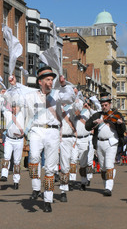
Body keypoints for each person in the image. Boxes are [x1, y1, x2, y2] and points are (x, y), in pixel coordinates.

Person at [7, 66, 76, 212]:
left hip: (52, 131)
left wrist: (64, 84)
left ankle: (48, 200)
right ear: (40, 81)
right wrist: (13, 86)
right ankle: (36, 188)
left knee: (50, 167)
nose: (50, 82)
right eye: (47, 79)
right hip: (36, 129)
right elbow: (14, 100)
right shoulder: (30, 96)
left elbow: (71, 97)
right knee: (33, 158)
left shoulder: (57, 94)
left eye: (52, 79)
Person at [85, 92, 126, 197]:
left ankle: (108, 188)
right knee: (103, 167)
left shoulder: (116, 115)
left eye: (106, 105)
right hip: (99, 143)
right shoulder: (97, 115)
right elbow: (87, 126)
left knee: (108, 165)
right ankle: (106, 185)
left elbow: (122, 131)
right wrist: (95, 122)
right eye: (102, 105)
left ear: (110, 105)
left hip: (111, 142)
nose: (104, 107)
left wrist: (119, 124)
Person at [0, 92, 25, 189]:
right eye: (13, 107)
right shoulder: (8, 114)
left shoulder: (23, 114)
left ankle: (16, 180)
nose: (14, 109)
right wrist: (1, 96)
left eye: (16, 107)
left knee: (17, 161)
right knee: (6, 157)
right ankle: (4, 175)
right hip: (9, 139)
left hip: (19, 140)